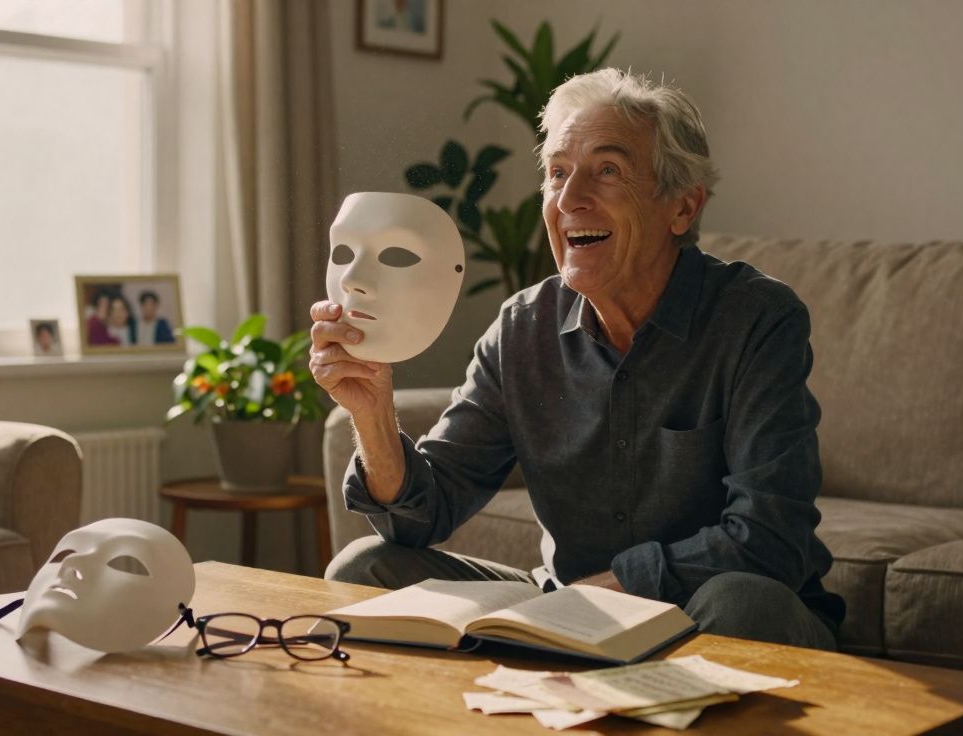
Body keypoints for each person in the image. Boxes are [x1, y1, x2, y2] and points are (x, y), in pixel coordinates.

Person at [310, 68, 844, 650]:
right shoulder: (522, 328)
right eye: (557, 174)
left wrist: (604, 593)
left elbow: (770, 538)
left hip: (701, 612)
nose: (569, 199)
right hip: (572, 611)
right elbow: (422, 516)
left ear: (682, 208)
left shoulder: (757, 319)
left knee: (742, 601)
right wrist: (371, 411)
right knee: (366, 571)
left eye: (607, 171)